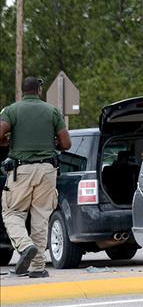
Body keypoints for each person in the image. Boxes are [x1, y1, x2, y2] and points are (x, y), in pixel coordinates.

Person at [0, 76, 71, 278]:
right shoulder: (52, 111)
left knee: (12, 213)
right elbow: (66, 144)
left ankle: (25, 246)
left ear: (23, 91)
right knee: (41, 218)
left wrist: (8, 143)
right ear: (39, 91)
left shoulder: (11, 110)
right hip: (48, 171)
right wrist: (50, 144)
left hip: (21, 171)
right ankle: (37, 267)